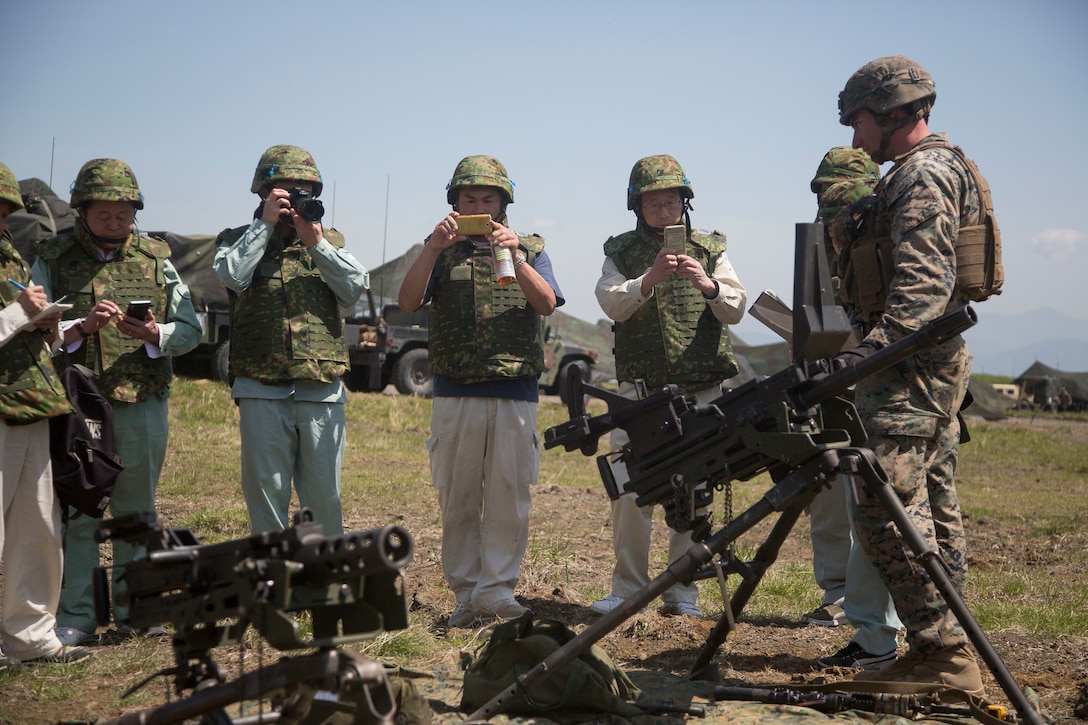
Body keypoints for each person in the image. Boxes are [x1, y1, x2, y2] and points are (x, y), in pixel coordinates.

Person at [833, 56, 999, 695]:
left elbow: (923, 288)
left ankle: (942, 653)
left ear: (893, 112)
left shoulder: (923, 175)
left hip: (907, 371)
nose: (855, 140)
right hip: (925, 368)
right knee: (932, 508)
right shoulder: (936, 167)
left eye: (860, 123)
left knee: (887, 508)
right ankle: (948, 648)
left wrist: (865, 353)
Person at [32, 158, 202, 647]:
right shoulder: (53, 258)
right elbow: (30, 329)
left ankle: (137, 609)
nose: (116, 223)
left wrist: (155, 333)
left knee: (136, 510)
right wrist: (79, 329)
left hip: (141, 401)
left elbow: (192, 330)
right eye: (104, 213)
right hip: (75, 409)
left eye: (125, 213)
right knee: (80, 509)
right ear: (81, 210)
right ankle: (78, 617)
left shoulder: (155, 260)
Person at [397, 155, 562, 628]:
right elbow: (408, 302)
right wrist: (432, 247)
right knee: (459, 497)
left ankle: (498, 593)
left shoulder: (529, 247)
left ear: (504, 203)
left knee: (510, 497)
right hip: (455, 391)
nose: (479, 206)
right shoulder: (440, 250)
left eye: (488, 199)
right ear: (454, 202)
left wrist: (516, 256)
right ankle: (466, 595)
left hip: (516, 392)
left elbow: (547, 303)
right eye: (469, 199)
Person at [589, 154, 746, 619]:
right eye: (654, 202)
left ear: (685, 201)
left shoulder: (712, 248)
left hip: (700, 393)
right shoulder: (619, 251)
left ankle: (683, 594)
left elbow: (735, 307)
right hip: (640, 395)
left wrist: (709, 285)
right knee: (631, 493)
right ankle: (627, 590)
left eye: (672, 200)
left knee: (695, 492)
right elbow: (611, 304)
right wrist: (649, 279)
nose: (664, 209)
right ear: (637, 206)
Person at [214, 145, 368, 536]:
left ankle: (325, 584)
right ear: (264, 192)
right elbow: (231, 277)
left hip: (320, 389)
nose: (295, 197)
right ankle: (273, 587)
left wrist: (316, 243)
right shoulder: (237, 239)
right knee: (267, 494)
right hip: (260, 387)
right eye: (285, 190)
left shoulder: (328, 240)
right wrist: (263, 227)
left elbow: (354, 289)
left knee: (324, 499)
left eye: (304, 190)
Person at [803, 148, 903, 669]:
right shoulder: (844, 243)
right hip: (861, 390)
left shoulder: (881, 236)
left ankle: (877, 636)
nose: (829, 213)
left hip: (890, 392)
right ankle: (877, 630)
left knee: (880, 509)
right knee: (868, 507)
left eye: (836, 201)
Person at [0, 161, 91, 666]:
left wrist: (53, 325)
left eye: (4, 211)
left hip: (30, 403)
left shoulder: (8, 254)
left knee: (38, 528)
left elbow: (25, 334)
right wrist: (19, 314)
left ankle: (31, 638)